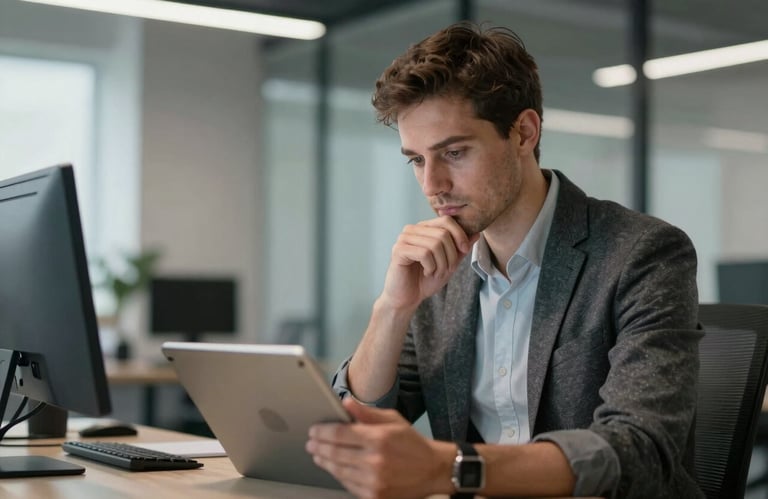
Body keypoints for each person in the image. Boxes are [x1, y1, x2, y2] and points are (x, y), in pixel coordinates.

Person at [305, 22, 702, 499]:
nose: (432, 185)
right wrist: (392, 307)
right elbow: (363, 418)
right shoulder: (442, 270)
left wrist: (451, 467)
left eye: (453, 152)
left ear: (524, 133)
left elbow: (638, 450)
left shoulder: (641, 254)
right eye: (415, 160)